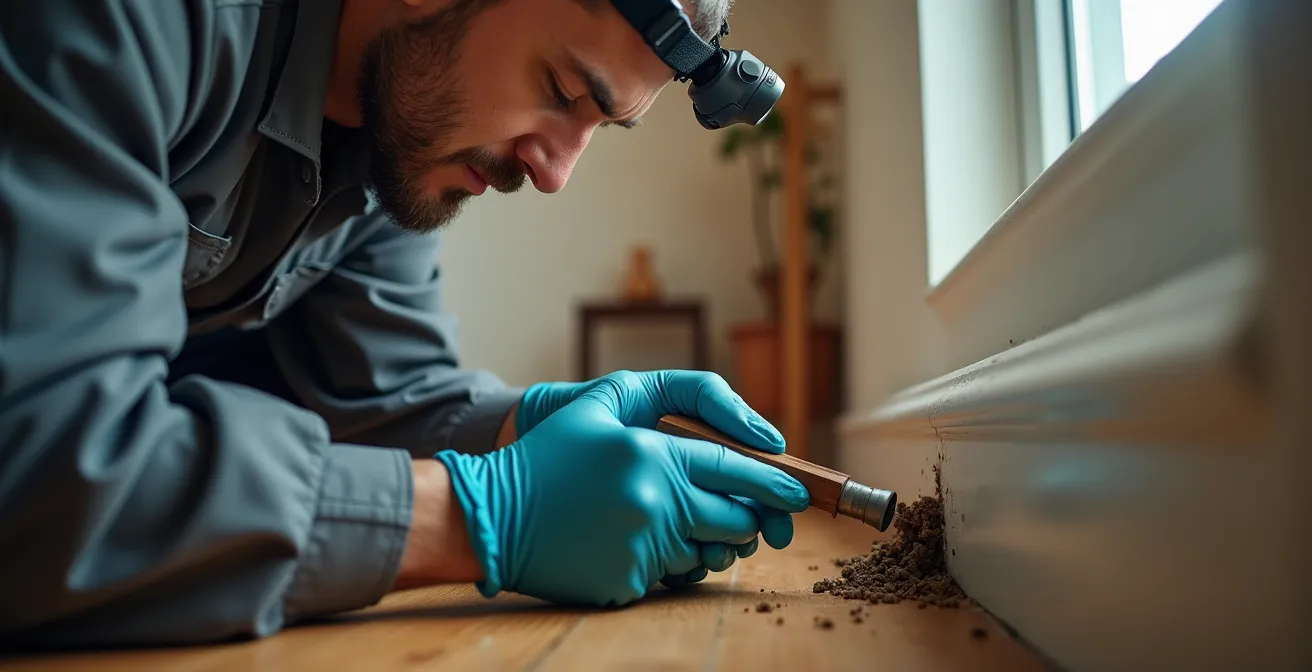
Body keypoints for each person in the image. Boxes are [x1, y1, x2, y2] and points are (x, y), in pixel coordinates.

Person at [0, 0, 810, 649]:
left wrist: (525, 427)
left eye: (600, 125)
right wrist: (477, 514)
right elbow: (43, 462)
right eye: (564, 91)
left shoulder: (394, 125)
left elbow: (384, 395)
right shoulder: (131, 20)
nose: (557, 172)